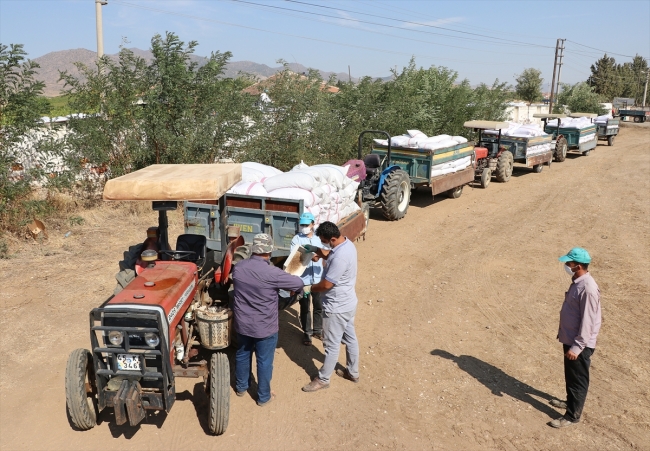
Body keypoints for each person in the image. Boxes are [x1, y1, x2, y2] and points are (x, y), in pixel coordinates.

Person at [231, 233, 304, 406]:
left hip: (242, 324)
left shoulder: (239, 267)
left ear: (253, 249)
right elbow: (298, 284)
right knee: (264, 361)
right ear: (269, 251)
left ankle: (241, 387)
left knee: (242, 354)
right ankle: (263, 396)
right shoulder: (273, 273)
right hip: (265, 326)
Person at [301, 221, 360, 392]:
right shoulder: (347, 244)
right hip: (348, 303)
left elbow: (327, 285)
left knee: (331, 345)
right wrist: (318, 252)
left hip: (336, 307)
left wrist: (309, 288)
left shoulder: (340, 257)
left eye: (324, 241)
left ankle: (323, 379)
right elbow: (331, 255)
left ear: (332, 238)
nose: (323, 244)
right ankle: (353, 372)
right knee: (350, 339)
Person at [549, 247, 601, 428]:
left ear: (578, 266)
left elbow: (588, 321)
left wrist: (577, 347)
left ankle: (572, 416)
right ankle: (570, 402)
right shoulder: (578, 282)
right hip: (571, 338)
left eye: (569, 263)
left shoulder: (588, 288)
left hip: (579, 343)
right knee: (571, 376)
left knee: (578, 379)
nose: (566, 265)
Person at [290, 212, 324, 346]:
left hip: (317, 278)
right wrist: (309, 255)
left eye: (306, 224)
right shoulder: (296, 239)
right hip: (303, 280)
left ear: (313, 224)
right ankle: (307, 332)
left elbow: (325, 253)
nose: (304, 227)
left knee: (318, 306)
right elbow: (295, 257)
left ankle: (318, 330)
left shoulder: (319, 238)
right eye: (302, 225)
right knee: (304, 307)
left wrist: (319, 255)